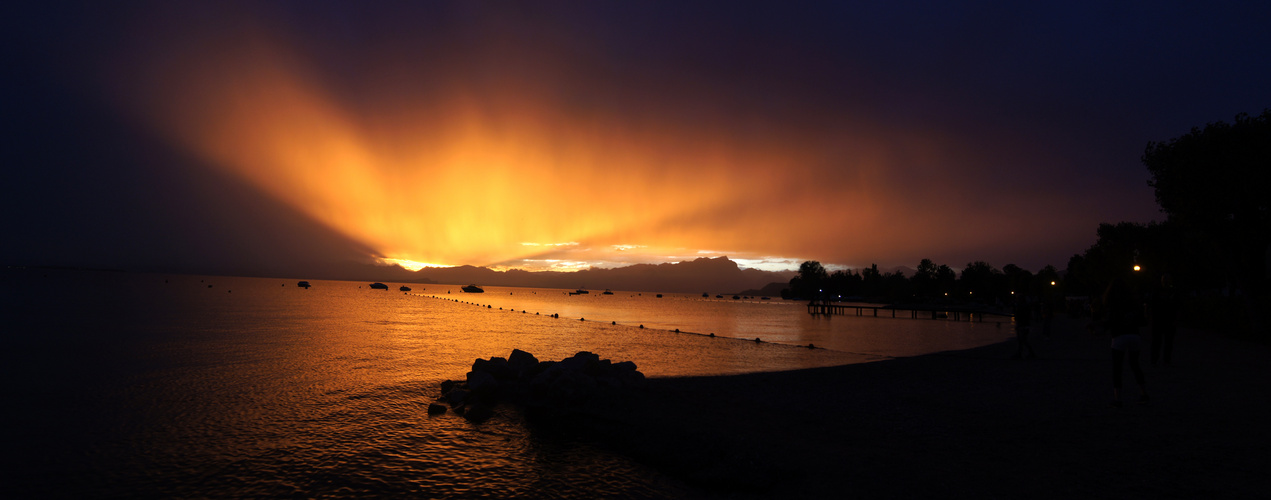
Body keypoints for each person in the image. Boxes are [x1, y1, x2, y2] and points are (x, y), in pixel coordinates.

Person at [1103, 278, 1148, 407]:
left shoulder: (1113, 303)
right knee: (1135, 365)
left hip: (1119, 336)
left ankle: (1118, 398)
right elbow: (1142, 321)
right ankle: (1144, 393)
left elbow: (1110, 322)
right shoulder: (1133, 303)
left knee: (1117, 368)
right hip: (1134, 335)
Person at [1147, 274, 1180, 366]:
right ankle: (1159, 358)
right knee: (1160, 341)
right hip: (1160, 320)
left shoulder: (1170, 291)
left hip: (1165, 320)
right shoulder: (1165, 292)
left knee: (1164, 342)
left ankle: (1162, 359)